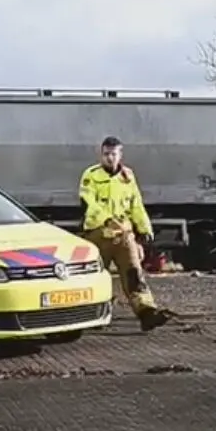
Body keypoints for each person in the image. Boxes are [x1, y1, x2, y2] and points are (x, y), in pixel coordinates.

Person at [80, 136, 171, 331]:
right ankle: (93, 314)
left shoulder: (128, 177)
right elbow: (89, 203)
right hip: (99, 234)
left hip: (124, 235)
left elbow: (136, 204)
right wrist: (106, 219)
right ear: (101, 155)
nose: (110, 158)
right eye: (106, 154)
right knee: (95, 276)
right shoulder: (91, 176)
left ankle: (147, 312)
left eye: (113, 154)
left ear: (120, 155)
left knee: (134, 274)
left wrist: (145, 228)